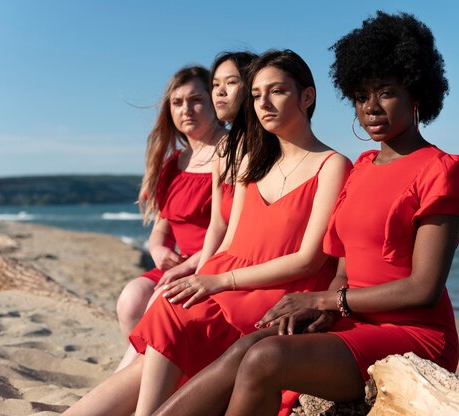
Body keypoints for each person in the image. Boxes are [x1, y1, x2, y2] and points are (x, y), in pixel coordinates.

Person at [152, 11, 459, 416]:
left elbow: (423, 289)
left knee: (265, 358)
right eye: (361, 96)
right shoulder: (360, 169)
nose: (371, 107)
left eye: (385, 92)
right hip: (353, 320)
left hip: (414, 332)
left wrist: (328, 300)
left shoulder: (441, 170)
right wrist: (324, 309)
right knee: (249, 345)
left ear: (416, 93)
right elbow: (344, 269)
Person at [63, 49, 351, 416]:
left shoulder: (332, 164)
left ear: (307, 97)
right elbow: (229, 240)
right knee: (172, 306)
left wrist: (220, 282)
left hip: (278, 287)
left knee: (175, 319)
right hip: (234, 276)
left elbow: (309, 260)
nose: (264, 103)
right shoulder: (252, 162)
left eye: (276, 91)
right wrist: (203, 276)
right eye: (257, 94)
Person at [114, 66, 226, 344]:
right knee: (130, 299)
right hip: (178, 264)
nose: (186, 109)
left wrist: (187, 268)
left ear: (215, 101)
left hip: (215, 263)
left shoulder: (231, 151)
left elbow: (232, 229)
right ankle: (140, 371)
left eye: (195, 99)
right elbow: (162, 225)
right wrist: (157, 249)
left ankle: (150, 375)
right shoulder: (174, 163)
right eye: (177, 102)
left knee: (157, 302)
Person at [197, 51, 258, 271]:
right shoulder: (223, 149)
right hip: (227, 259)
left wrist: (206, 275)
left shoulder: (267, 147)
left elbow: (237, 235)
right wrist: (199, 271)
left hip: (251, 264)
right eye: (215, 85)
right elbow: (217, 225)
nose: (220, 92)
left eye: (231, 82)